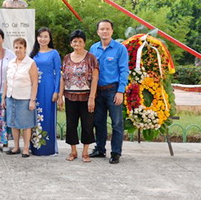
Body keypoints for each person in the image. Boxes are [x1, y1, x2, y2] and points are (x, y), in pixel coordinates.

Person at [89, 19, 129, 164]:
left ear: (112, 31)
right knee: (98, 122)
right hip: (98, 91)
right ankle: (100, 149)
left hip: (113, 90)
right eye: (102, 29)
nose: (104, 31)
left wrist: (120, 91)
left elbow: (124, 70)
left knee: (117, 123)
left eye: (107, 29)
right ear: (98, 32)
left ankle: (115, 152)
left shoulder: (120, 49)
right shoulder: (93, 48)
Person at [58, 30, 99, 163]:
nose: (77, 43)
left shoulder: (91, 58)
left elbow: (95, 78)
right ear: (71, 43)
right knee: (71, 124)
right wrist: (60, 96)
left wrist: (92, 97)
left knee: (87, 124)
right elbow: (63, 78)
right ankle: (73, 150)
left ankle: (85, 152)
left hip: (86, 97)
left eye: (80, 41)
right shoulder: (66, 58)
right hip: (70, 97)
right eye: (75, 41)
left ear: (84, 42)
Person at [3, 38, 38, 158]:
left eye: (20, 47)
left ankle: (26, 148)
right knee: (13, 123)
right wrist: (4, 97)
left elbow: (34, 83)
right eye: (16, 47)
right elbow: (6, 81)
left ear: (25, 49)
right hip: (11, 97)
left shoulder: (30, 63)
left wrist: (32, 100)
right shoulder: (11, 62)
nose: (18, 50)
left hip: (24, 98)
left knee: (26, 124)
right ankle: (16, 147)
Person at [28, 27, 61, 156]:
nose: (43, 39)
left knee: (47, 116)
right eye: (40, 36)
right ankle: (34, 146)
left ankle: (48, 148)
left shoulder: (54, 53)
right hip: (35, 87)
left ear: (49, 38)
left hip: (48, 87)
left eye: (45, 36)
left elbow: (58, 73)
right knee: (34, 116)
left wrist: (56, 91)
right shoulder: (33, 54)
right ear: (37, 38)